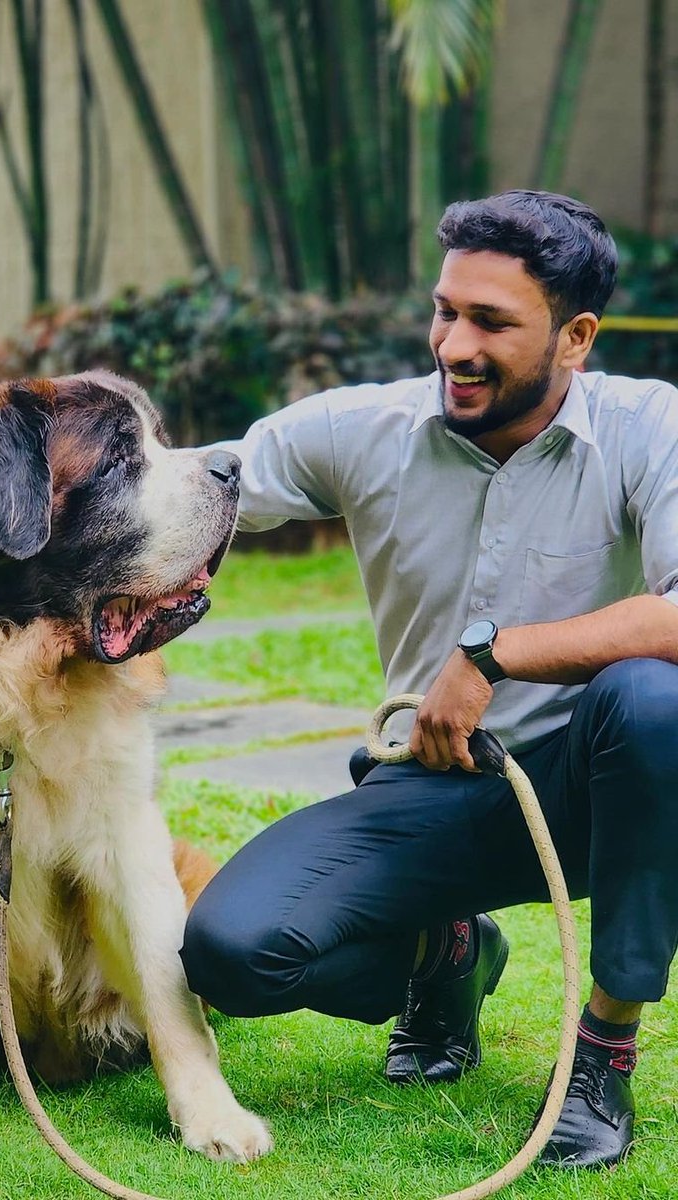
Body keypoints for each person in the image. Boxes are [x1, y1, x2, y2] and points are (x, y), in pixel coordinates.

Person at [179, 190, 678, 1169]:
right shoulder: (365, 428)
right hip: (429, 783)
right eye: (446, 311)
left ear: (575, 338)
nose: (453, 345)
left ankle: (602, 1054)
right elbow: (193, 489)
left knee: (655, 702)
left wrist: (491, 651)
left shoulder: (650, 425)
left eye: (492, 322)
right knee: (229, 952)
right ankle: (447, 952)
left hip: (594, 786)